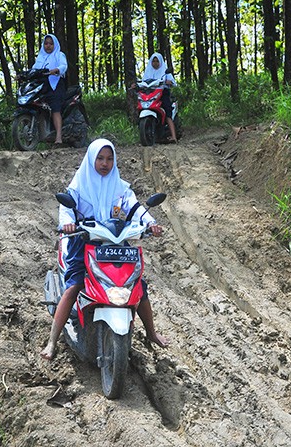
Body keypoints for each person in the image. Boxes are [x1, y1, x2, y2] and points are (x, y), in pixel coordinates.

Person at [40, 138, 170, 360]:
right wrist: (67, 224)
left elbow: (135, 208)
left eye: (109, 159)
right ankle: (52, 341)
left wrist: (150, 223)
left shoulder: (119, 187)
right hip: (83, 241)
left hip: (114, 242)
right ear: (91, 159)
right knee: (74, 286)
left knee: (138, 286)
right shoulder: (79, 186)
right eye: (100, 158)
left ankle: (151, 332)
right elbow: (66, 209)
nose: (104, 163)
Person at [32, 34, 68, 145]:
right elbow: (34, 69)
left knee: (55, 108)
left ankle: (58, 137)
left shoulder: (59, 55)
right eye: (46, 43)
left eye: (51, 44)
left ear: (55, 44)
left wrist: (56, 69)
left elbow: (64, 66)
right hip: (43, 86)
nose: (48, 46)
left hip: (55, 85)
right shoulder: (40, 57)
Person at [141, 52, 177, 143]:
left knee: (167, 111)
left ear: (160, 62)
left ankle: (174, 136)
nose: (155, 63)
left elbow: (173, 83)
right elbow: (143, 82)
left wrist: (169, 82)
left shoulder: (165, 72)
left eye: (157, 61)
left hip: (162, 93)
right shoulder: (148, 72)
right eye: (153, 61)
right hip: (150, 94)